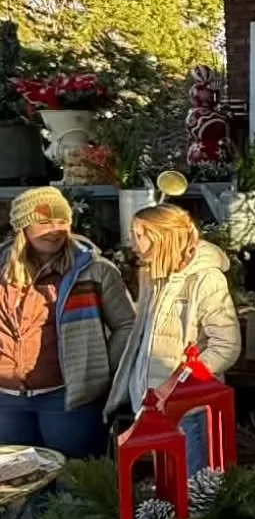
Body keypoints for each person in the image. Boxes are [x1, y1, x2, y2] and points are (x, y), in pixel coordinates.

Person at [0, 186, 134, 457]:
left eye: (62, 221)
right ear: (22, 227)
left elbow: (126, 324)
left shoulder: (94, 271)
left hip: (67, 399)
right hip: (6, 400)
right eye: (44, 222)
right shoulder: (2, 270)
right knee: (21, 486)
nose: (55, 229)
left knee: (74, 482)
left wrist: (100, 370)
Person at [106, 204, 240, 472]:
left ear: (163, 237)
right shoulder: (153, 277)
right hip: (150, 405)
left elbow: (226, 344)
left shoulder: (206, 278)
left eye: (140, 235)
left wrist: (183, 383)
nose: (133, 242)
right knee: (167, 484)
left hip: (187, 410)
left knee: (193, 486)